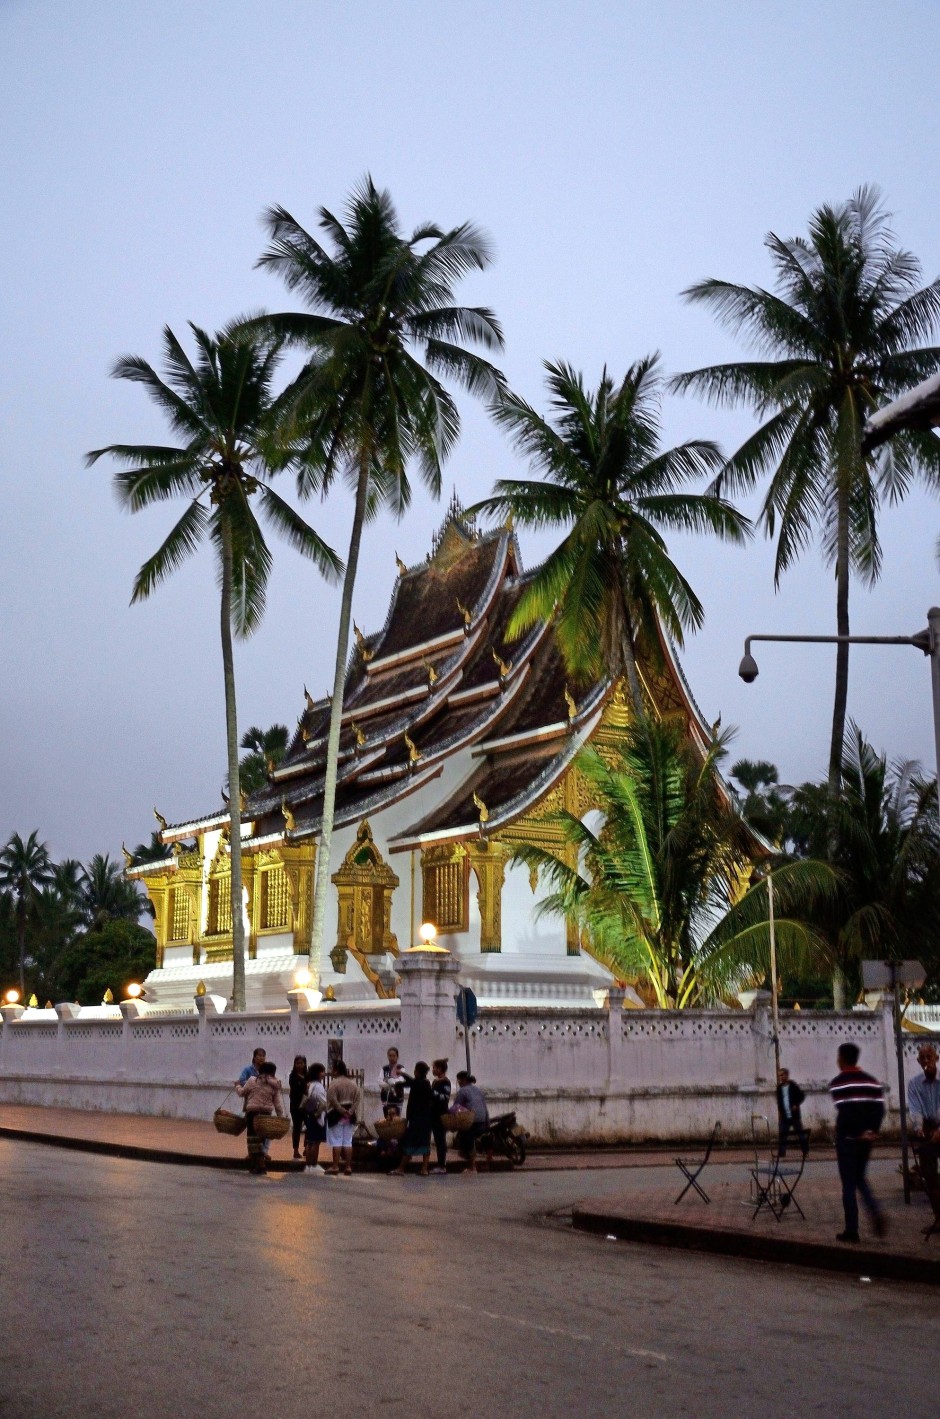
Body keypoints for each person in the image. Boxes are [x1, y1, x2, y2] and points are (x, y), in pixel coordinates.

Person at [829, 1042, 886, 1243]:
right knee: (860, 1177)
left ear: (842, 1058)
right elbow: (879, 1110)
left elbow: (846, 1112)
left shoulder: (838, 1083)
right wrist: (871, 1131)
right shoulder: (872, 1082)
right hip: (866, 1140)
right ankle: (874, 1209)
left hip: (848, 1139)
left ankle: (851, 1230)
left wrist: (856, 1132)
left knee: (848, 1185)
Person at [907, 1043, 940, 1219]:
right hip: (927, 1130)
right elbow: (915, 1109)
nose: (927, 1061)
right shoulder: (914, 1084)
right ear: (919, 1061)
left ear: (937, 1058)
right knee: (929, 1176)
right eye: (923, 1058)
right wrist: (918, 1128)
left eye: (930, 1056)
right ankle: (938, 1218)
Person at [236, 1060, 285, 1174]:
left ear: (260, 1070)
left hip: (253, 1113)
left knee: (253, 1140)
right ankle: (256, 1165)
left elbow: (242, 1093)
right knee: (261, 1140)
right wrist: (280, 1116)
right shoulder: (275, 1085)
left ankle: (259, 1166)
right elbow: (277, 1103)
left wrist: (237, 1086)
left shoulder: (253, 1080)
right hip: (266, 1115)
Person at [392, 1061, 433, 1177]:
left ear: (418, 1072)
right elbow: (409, 1082)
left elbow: (410, 1081)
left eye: (415, 1070)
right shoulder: (426, 1084)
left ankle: (401, 1168)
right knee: (425, 1143)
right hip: (426, 1119)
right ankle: (424, 1168)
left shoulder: (418, 1083)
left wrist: (401, 1073)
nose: (414, 1072)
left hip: (417, 1118)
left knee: (410, 1142)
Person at [326, 1058, 359, 1176]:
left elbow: (332, 1100)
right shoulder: (353, 1084)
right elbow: (357, 1100)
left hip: (336, 1115)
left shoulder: (334, 1083)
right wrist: (350, 1111)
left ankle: (335, 1166)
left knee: (336, 1141)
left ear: (336, 1070)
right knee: (347, 1142)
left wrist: (341, 1110)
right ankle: (348, 1166)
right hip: (349, 1116)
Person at [237, 1047, 270, 1159]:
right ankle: (251, 1152)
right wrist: (254, 1085)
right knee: (251, 1129)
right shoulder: (248, 1070)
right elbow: (242, 1080)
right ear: (254, 1057)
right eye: (259, 1055)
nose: (261, 1058)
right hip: (251, 1102)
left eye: (263, 1055)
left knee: (264, 1129)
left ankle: (263, 1152)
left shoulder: (267, 1070)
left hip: (264, 1104)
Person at [453, 1070, 488, 1174]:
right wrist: (487, 1122)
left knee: (466, 1137)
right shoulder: (477, 1090)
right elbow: (484, 1107)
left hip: (472, 1119)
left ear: (463, 1080)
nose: (458, 1082)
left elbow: (456, 1106)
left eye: (459, 1080)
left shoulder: (463, 1091)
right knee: (469, 1137)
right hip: (482, 1119)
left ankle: (473, 1167)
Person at [775, 1067, 809, 1157]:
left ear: (787, 1075)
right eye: (779, 1076)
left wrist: (796, 1105)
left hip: (794, 1116)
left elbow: (801, 1096)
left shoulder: (793, 1085)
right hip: (784, 1116)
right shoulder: (779, 1088)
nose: (781, 1077)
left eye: (782, 1075)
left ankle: (805, 1151)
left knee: (800, 1134)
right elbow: (779, 1101)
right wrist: (780, 1112)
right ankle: (781, 1153)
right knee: (783, 1135)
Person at [302, 1062, 328, 1175]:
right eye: (322, 1071)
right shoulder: (318, 1086)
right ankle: (313, 1164)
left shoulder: (310, 1084)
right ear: (317, 1073)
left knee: (309, 1141)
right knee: (315, 1142)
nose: (324, 1073)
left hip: (309, 1114)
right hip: (317, 1115)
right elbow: (323, 1102)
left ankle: (308, 1165)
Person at [430, 1058, 452, 1174]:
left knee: (440, 1140)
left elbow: (445, 1098)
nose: (433, 1070)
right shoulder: (435, 1082)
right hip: (433, 1114)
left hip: (441, 1115)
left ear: (440, 1069)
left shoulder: (445, 1082)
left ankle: (442, 1165)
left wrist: (433, 1093)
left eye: (434, 1068)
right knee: (438, 1140)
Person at [288, 1054, 308, 1160]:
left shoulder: (308, 1075)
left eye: (301, 1063)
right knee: (297, 1127)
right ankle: (295, 1150)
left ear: (305, 1064)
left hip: (307, 1105)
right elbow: (297, 1087)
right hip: (295, 1105)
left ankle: (306, 1147)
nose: (299, 1065)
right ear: (294, 1064)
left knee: (309, 1126)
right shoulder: (292, 1076)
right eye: (297, 1063)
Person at [379, 1046, 407, 1118]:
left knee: (396, 1120)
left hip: (397, 1098)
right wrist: (388, 1084)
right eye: (390, 1056)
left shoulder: (401, 1068)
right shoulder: (384, 1069)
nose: (391, 1058)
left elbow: (401, 1080)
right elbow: (380, 1081)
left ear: (397, 1057)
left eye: (394, 1056)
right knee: (387, 1118)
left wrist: (392, 1082)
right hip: (386, 1098)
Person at [375, 1103, 403, 1172]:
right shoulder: (385, 1126)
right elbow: (380, 1139)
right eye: (389, 1114)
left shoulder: (401, 1126)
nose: (391, 1117)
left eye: (393, 1114)